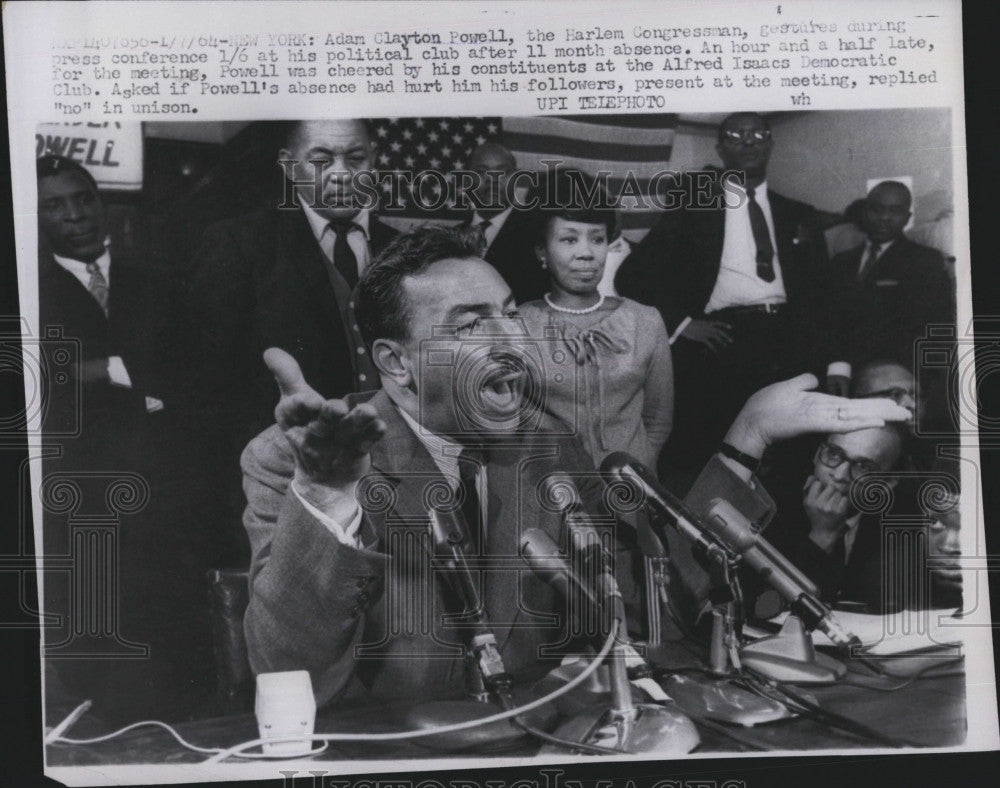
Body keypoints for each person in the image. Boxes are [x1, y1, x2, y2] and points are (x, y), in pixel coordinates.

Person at [239, 224, 910, 708]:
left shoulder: (542, 442)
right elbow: (291, 676)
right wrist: (327, 500)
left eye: (509, 315)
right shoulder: (299, 464)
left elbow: (653, 598)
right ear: (395, 363)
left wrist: (748, 435)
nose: (512, 343)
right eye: (473, 325)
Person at [36, 155, 213, 725]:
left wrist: (100, 370)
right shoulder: (30, 290)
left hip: (170, 496)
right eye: (55, 206)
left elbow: (198, 374)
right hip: (84, 499)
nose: (75, 215)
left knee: (184, 659)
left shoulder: (160, 278)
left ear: (101, 200)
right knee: (103, 667)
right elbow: (42, 382)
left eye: (83, 198)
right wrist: (134, 375)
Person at [186, 119, 399, 564]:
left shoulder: (405, 249)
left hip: (396, 478)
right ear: (288, 166)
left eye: (355, 158)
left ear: (374, 160)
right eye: (321, 160)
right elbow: (207, 388)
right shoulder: (238, 243)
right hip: (286, 482)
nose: (340, 174)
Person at [614, 112, 833, 479]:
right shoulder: (694, 210)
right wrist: (683, 324)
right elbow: (632, 276)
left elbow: (824, 296)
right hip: (725, 343)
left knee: (790, 461)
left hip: (791, 344)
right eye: (736, 135)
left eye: (758, 133)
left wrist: (836, 362)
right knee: (713, 455)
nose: (748, 141)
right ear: (721, 149)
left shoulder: (799, 214)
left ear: (770, 143)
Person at [518, 170, 673, 471]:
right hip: (553, 494)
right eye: (569, 239)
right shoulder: (518, 325)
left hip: (633, 493)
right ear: (542, 251)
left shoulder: (646, 321)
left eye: (597, 239)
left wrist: (636, 475)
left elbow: (658, 422)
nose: (586, 253)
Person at [749, 425, 912, 614]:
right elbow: (764, 608)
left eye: (864, 467)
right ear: (817, 453)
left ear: (886, 484)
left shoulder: (900, 528)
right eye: (833, 454)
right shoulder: (767, 507)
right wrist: (822, 536)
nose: (839, 475)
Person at [826, 181, 954, 380]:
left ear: (907, 218)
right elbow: (830, 322)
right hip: (842, 376)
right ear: (865, 212)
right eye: (876, 209)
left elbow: (933, 328)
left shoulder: (926, 261)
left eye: (894, 211)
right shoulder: (840, 262)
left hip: (899, 377)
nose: (884, 218)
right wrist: (837, 367)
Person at [457, 142, 547, 304]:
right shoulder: (450, 238)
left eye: (503, 172)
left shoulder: (538, 233)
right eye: (481, 171)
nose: (493, 180)